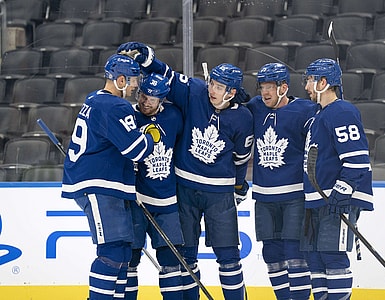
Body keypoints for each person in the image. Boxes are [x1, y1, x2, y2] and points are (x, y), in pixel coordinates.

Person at [117, 41, 254, 300]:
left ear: (232, 92)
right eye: (212, 83)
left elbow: (240, 158)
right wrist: (147, 59)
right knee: (186, 258)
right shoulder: (195, 92)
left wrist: (237, 186)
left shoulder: (243, 118)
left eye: (220, 87)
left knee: (229, 258)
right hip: (185, 190)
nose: (213, 90)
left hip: (219, 195)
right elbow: (166, 74)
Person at [61, 54, 161, 300]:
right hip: (98, 185)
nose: (136, 86)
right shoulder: (115, 106)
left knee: (124, 253)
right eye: (133, 80)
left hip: (105, 184)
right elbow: (136, 150)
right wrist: (151, 137)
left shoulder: (95, 99)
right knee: (113, 252)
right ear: (119, 80)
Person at [301, 58, 374, 299]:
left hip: (336, 198)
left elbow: (357, 159)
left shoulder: (341, 111)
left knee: (333, 258)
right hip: (316, 200)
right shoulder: (320, 115)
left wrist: (343, 191)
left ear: (323, 82)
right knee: (315, 260)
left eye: (310, 80)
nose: (306, 87)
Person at [246, 62, 316, 299]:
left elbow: (323, 133)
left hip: (295, 196)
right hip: (264, 196)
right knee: (272, 254)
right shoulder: (256, 106)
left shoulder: (306, 110)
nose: (264, 92)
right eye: (262, 87)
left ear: (283, 87)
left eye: (270, 87)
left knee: (294, 252)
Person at [125, 73, 185, 300]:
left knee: (171, 260)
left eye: (152, 98)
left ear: (162, 100)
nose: (145, 102)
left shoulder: (174, 116)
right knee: (130, 259)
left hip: (166, 199)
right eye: (143, 95)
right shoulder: (128, 116)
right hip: (135, 200)